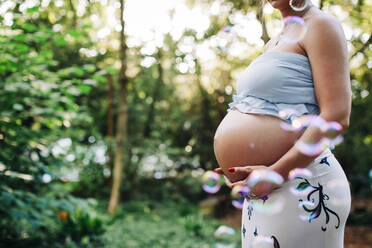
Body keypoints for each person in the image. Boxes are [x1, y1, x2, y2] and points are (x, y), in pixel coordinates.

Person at [213, 0, 352, 247]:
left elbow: (337, 115)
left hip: (301, 186)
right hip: (264, 192)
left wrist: (275, 174)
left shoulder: (320, 24)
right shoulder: (274, 41)